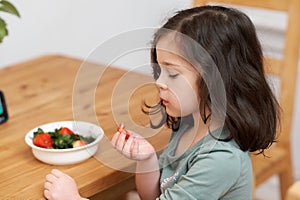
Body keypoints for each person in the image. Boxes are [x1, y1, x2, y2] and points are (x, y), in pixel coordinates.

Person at [43, 5, 280, 200]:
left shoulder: (220, 159)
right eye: (159, 70)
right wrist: (146, 159)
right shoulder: (191, 123)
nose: (159, 82)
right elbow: (155, 195)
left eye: (173, 74)